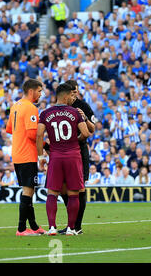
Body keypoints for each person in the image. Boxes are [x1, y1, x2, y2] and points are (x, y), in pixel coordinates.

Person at [36, 83, 91, 236]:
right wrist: (74, 139)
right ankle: (71, 229)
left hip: (55, 156)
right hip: (73, 156)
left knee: (52, 193)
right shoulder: (75, 112)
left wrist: (41, 156)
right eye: (72, 95)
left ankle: (52, 227)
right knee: (74, 194)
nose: (73, 98)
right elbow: (86, 133)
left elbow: (39, 134)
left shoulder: (46, 113)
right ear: (66, 96)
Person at [5, 78, 46, 236]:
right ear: (32, 91)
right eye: (40, 91)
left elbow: (10, 129)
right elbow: (31, 134)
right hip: (27, 153)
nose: (41, 94)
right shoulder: (30, 108)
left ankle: (34, 226)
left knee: (28, 190)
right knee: (28, 191)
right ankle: (21, 228)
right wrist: (44, 142)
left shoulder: (15, 106)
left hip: (17, 153)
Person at [56, 80, 95, 235]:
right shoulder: (59, 106)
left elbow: (92, 129)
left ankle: (76, 226)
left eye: (76, 92)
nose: (75, 95)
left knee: (79, 188)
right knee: (62, 189)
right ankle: (71, 223)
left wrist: (84, 118)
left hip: (79, 151)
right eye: (72, 92)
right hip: (62, 152)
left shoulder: (82, 106)